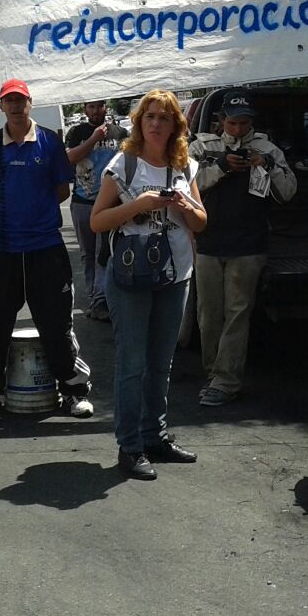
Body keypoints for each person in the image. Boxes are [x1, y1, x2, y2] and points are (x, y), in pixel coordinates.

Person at [0, 78, 93, 419]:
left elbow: (61, 190)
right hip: (2, 249)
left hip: (44, 247)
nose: (15, 107)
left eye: (21, 100)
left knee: (56, 324)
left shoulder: (48, 141)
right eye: (9, 101)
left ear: (30, 103)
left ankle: (74, 390)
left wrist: (35, 213)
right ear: (2, 106)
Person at [91, 90, 207, 479]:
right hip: (130, 276)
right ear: (139, 122)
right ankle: (130, 446)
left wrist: (183, 206)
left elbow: (201, 222)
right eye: (150, 117)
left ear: (176, 125)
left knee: (161, 362)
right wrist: (139, 205)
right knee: (132, 364)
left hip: (176, 275)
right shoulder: (123, 166)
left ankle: (154, 437)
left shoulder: (186, 165)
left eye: (164, 117)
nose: (156, 124)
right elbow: (97, 221)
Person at [190, 92, 295, 407]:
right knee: (209, 315)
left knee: (237, 314)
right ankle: (214, 374)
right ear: (221, 120)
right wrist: (221, 166)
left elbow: (287, 193)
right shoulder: (201, 147)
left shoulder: (267, 148)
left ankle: (226, 381)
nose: (237, 129)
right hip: (208, 242)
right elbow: (186, 186)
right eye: (232, 122)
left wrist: (268, 165)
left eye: (243, 123)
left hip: (248, 245)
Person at [65, 99, 129, 321]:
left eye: (99, 106)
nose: (95, 111)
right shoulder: (77, 132)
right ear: (85, 110)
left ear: (105, 108)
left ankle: (103, 299)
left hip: (111, 203)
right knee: (87, 253)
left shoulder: (120, 133)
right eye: (91, 107)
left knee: (106, 252)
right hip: (82, 201)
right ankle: (93, 297)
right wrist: (93, 139)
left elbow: (128, 162)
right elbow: (70, 158)